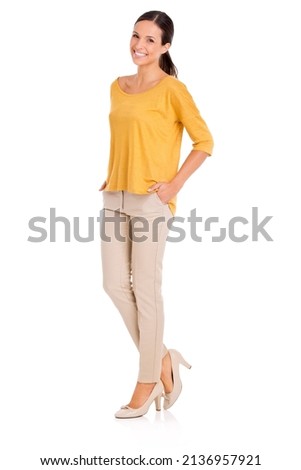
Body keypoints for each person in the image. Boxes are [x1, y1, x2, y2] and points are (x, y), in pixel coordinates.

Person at [99, 10, 214, 419]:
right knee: (114, 285)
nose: (139, 46)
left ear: (165, 46)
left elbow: (204, 141)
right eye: (135, 36)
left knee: (145, 291)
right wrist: (112, 176)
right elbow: (126, 140)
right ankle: (163, 358)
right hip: (114, 196)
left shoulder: (173, 90)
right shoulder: (117, 87)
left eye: (150, 40)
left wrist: (174, 185)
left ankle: (147, 382)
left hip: (152, 201)